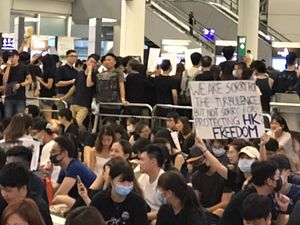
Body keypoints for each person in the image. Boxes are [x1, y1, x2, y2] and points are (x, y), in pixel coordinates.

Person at [221, 160, 290, 225]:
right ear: (269, 181)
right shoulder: (248, 200)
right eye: (278, 177)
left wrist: (283, 209)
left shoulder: (267, 196)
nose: (280, 180)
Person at [90, 158, 149, 225]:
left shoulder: (138, 202)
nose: (126, 185)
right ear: (111, 180)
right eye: (121, 181)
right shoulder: (98, 200)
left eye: (129, 181)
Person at [188, 146, 233, 218]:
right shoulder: (196, 176)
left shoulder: (224, 174)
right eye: (194, 163)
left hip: (220, 213)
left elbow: (225, 202)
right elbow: (196, 199)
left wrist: (207, 210)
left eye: (199, 162)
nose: (197, 165)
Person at [51, 136, 96, 203]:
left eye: (54, 151)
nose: (51, 154)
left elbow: (59, 194)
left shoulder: (75, 168)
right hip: (81, 201)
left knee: (59, 198)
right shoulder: (65, 168)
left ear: (64, 153)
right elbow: (54, 191)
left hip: (89, 203)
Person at [63, 54, 100, 130]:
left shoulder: (95, 76)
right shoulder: (79, 74)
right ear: (86, 62)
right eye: (91, 61)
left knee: (78, 122)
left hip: (85, 105)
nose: (92, 64)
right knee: (70, 123)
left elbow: (89, 84)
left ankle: (83, 134)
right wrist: (64, 97)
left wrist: (89, 72)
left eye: (94, 63)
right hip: (75, 102)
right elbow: (74, 87)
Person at [138, 144, 165, 221]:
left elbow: (171, 209)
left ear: (153, 162)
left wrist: (145, 216)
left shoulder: (165, 181)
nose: (139, 163)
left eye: (142, 160)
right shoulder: (142, 178)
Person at [3, 49, 33, 117]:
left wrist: (20, 85)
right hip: (8, 97)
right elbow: (4, 81)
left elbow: (30, 80)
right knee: (8, 118)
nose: (11, 59)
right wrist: (8, 67)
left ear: (17, 57)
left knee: (19, 118)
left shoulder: (24, 67)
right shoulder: (6, 68)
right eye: (9, 57)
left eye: (12, 56)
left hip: (20, 98)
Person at [36, 54, 56, 122]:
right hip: (46, 95)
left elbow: (49, 86)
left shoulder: (50, 72)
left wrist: (40, 80)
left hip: (47, 96)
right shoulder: (50, 71)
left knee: (48, 119)